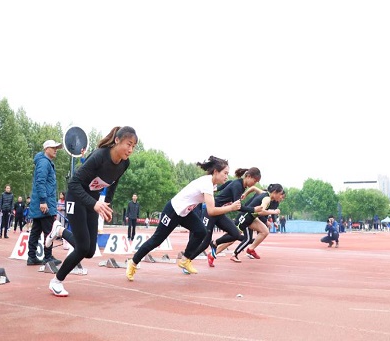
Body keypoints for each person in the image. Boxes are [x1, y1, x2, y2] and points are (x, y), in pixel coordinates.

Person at [45, 126, 138, 297]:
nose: (131, 150)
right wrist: (94, 204)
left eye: (134, 146)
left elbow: (114, 182)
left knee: (89, 251)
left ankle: (59, 230)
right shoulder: (99, 156)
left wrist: (107, 203)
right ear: (117, 140)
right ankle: (56, 281)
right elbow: (73, 184)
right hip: (76, 197)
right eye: (128, 144)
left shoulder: (125, 163)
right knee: (82, 248)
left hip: (93, 201)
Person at [125, 156, 242, 282]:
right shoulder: (207, 184)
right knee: (156, 240)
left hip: (185, 213)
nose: (226, 176)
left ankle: (185, 259)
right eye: (225, 173)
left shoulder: (211, 185)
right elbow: (211, 211)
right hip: (173, 210)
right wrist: (231, 207)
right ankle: (133, 262)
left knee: (201, 231)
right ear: (215, 172)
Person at [189, 167, 263, 268]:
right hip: (211, 212)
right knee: (204, 243)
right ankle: (187, 260)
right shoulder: (237, 185)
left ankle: (215, 243)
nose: (254, 184)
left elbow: (222, 188)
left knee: (235, 234)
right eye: (254, 181)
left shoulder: (239, 184)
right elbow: (238, 207)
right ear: (248, 176)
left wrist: (216, 190)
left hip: (220, 213)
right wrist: (253, 210)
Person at [215, 184, 284, 263]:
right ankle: (213, 252)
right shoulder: (267, 199)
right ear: (275, 192)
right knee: (232, 238)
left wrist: (245, 194)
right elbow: (260, 211)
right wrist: (274, 211)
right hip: (245, 216)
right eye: (280, 194)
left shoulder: (264, 193)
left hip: (252, 218)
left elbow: (254, 188)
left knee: (265, 231)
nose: (281, 197)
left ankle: (250, 249)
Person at [27, 140, 63, 266]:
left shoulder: (44, 162)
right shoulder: (44, 162)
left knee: (36, 231)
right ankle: (47, 257)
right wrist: (43, 201)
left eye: (56, 148)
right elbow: (40, 182)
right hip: (44, 203)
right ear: (46, 148)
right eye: (53, 148)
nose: (56, 150)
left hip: (42, 203)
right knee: (49, 230)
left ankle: (32, 257)